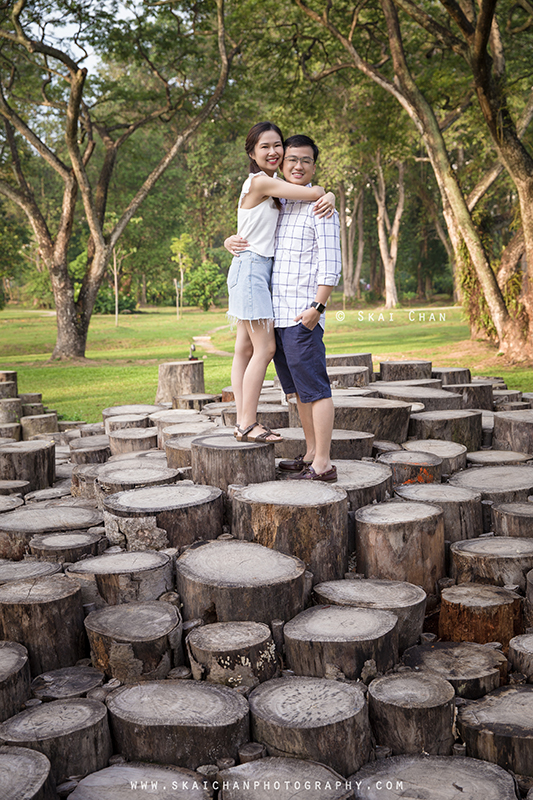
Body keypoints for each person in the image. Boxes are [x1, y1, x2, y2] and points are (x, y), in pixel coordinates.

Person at [227, 134, 341, 480]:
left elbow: (331, 262)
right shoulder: (280, 199)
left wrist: (318, 307)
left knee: (314, 389)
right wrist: (231, 240)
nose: (296, 165)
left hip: (302, 315)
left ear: (314, 165)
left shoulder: (321, 210)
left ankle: (323, 464)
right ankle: (308, 453)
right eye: (291, 158)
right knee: (296, 391)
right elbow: (252, 228)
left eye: (305, 160)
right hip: (277, 311)